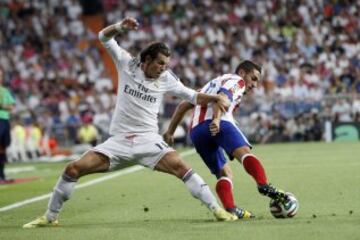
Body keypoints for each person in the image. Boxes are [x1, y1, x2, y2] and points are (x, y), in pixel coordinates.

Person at [23, 17, 236, 228]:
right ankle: (50, 217)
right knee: (72, 169)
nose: (163, 68)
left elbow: (192, 96)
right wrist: (119, 27)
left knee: (182, 167)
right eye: (160, 63)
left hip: (148, 140)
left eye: (166, 64)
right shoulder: (127, 64)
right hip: (118, 142)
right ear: (147, 60)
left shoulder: (167, 78)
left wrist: (215, 98)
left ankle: (217, 210)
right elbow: (103, 38)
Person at [163, 60, 292, 219]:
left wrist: (170, 132)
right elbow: (221, 98)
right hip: (219, 123)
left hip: (196, 131)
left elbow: (183, 104)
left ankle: (230, 209)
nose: (255, 85)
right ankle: (263, 184)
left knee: (224, 173)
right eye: (254, 78)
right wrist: (216, 119)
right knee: (244, 152)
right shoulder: (237, 81)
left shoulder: (211, 84)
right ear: (243, 73)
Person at [0, 68, 16, 183]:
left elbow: (11, 107)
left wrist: (2, 106)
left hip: (5, 120)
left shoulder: (5, 91)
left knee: (3, 148)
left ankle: (2, 176)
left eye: (1, 75)